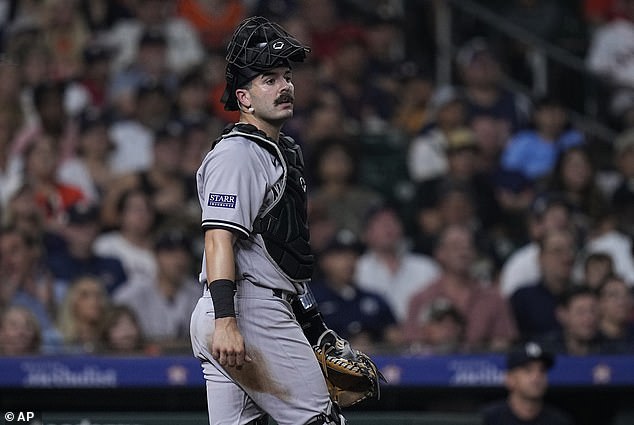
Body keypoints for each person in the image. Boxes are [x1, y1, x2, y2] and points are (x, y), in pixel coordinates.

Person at [190, 16, 347, 425]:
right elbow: (218, 240)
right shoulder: (237, 153)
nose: (284, 86)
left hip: (252, 307)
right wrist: (227, 322)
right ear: (243, 97)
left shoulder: (276, 150)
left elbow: (284, 252)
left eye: (286, 76)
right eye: (269, 80)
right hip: (244, 310)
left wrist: (313, 323)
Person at [481, 341, 574, 425]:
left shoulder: (559, 421)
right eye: (528, 370)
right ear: (510, 379)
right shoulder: (488, 419)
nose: (537, 377)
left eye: (542, 370)